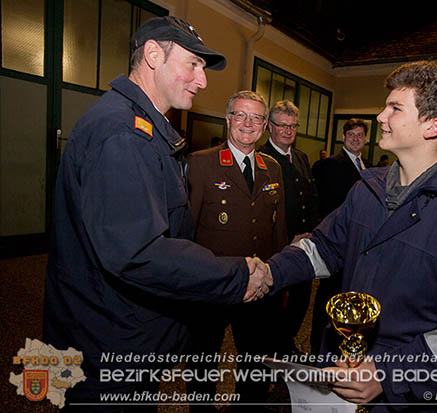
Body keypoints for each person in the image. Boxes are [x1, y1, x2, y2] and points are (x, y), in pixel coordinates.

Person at [42, 17, 272, 412]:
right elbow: (139, 252)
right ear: (152, 55)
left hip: (114, 333)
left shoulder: (138, 126)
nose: (202, 81)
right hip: (106, 345)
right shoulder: (123, 134)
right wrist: (237, 275)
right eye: (193, 65)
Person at [267, 61, 437, 412]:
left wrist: (386, 374)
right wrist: (269, 273)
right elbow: (323, 248)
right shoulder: (367, 189)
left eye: (395, 108)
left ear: (433, 126)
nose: (380, 117)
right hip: (336, 371)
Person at [185, 90, 287, 411]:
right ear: (228, 119)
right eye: (240, 115)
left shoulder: (273, 168)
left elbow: (278, 228)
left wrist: (280, 275)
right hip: (211, 284)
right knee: (202, 358)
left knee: (255, 359)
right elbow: (185, 230)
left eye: (256, 117)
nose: (248, 123)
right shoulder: (201, 164)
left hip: (257, 284)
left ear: (264, 126)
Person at [260, 99, 319, 355]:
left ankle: (287, 341)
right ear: (269, 127)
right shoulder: (261, 158)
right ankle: (275, 348)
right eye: (282, 125)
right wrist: (287, 238)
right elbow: (262, 209)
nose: (288, 131)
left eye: (293, 126)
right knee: (275, 303)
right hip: (279, 246)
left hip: (305, 244)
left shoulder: (302, 157)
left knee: (300, 300)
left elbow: (311, 196)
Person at [310, 118, 368, 355]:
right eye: (351, 134)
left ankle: (338, 346)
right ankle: (318, 349)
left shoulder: (366, 166)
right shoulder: (330, 165)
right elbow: (328, 206)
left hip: (357, 245)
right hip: (338, 241)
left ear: (365, 139)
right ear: (343, 138)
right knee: (328, 297)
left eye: (360, 135)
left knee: (346, 298)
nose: (355, 138)